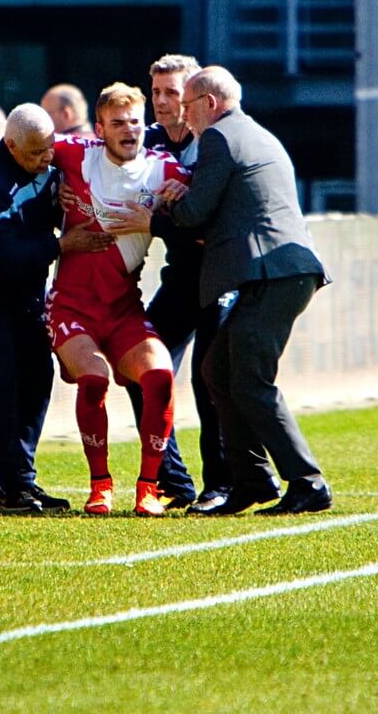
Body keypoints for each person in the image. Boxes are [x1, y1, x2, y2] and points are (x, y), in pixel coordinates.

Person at [0, 83, 190, 516]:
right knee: (21, 379)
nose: (128, 131)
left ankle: (145, 486)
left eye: (134, 122)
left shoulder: (163, 169)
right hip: (24, 298)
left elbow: (202, 196)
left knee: (143, 377)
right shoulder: (49, 161)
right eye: (117, 123)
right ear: (99, 129)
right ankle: (59, 486)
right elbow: (14, 134)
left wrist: (170, 210)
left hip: (96, 301)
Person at [168, 66, 332, 516]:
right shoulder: (258, 134)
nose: (184, 117)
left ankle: (308, 482)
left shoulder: (219, 138)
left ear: (210, 104)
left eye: (187, 105)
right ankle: (252, 481)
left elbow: (196, 211)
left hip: (273, 274)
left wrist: (160, 207)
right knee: (218, 371)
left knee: (250, 380)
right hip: (282, 272)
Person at [0, 104, 113, 512]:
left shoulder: (46, 155)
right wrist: (61, 244)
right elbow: (1, 254)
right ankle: (9, 487)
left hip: (28, 290)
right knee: (2, 378)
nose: (46, 159)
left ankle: (24, 478)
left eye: (49, 149)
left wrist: (62, 205)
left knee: (38, 376)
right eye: (35, 154)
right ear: (10, 146)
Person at [102, 53, 233, 512]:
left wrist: (181, 198)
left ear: (195, 95)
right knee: (141, 370)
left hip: (221, 275)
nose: (161, 101)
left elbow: (212, 214)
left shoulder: (217, 141)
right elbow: (93, 157)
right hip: (180, 276)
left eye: (172, 92)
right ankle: (174, 482)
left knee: (211, 378)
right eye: (155, 92)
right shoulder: (147, 140)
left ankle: (223, 483)